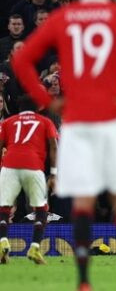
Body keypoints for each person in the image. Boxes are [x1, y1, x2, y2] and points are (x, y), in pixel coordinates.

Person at [10, 0, 116, 291]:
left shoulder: (64, 17)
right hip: (112, 119)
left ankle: (82, 282)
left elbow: (20, 59)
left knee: (83, 200)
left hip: (77, 121)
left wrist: (48, 101)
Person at [0, 96, 58, 265]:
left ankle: (3, 242)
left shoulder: (8, 122)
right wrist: (53, 174)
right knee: (41, 208)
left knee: (3, 207)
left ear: (19, 107)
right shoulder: (45, 121)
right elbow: (54, 146)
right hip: (33, 166)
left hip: (9, 165)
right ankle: (34, 248)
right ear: (38, 107)